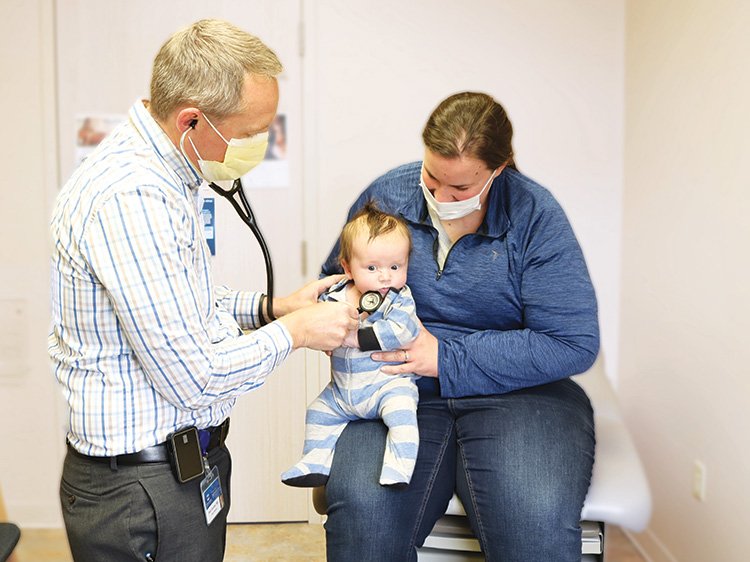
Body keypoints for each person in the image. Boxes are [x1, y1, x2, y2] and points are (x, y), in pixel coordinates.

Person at [49, 19, 358, 562]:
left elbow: (185, 303)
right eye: (250, 131)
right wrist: (295, 333)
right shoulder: (132, 197)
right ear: (191, 120)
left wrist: (272, 308)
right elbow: (192, 378)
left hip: (182, 466)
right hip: (142, 489)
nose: (260, 144)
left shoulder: (168, 177)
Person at [320, 92, 599, 562]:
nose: (439, 197)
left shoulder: (535, 216)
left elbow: (573, 343)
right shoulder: (388, 194)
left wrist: (446, 359)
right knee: (362, 518)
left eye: (460, 190)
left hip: (519, 392)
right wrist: (343, 322)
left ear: (499, 169)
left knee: (535, 528)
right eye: (432, 178)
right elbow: (343, 280)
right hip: (396, 385)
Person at [282, 203, 421, 489]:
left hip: (385, 385)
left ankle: (399, 468)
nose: (385, 277)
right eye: (372, 268)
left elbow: (404, 330)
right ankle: (315, 462)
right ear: (347, 268)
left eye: (396, 266)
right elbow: (315, 324)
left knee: (403, 414)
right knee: (318, 412)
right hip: (342, 390)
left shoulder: (399, 299)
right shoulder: (334, 295)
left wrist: (356, 338)